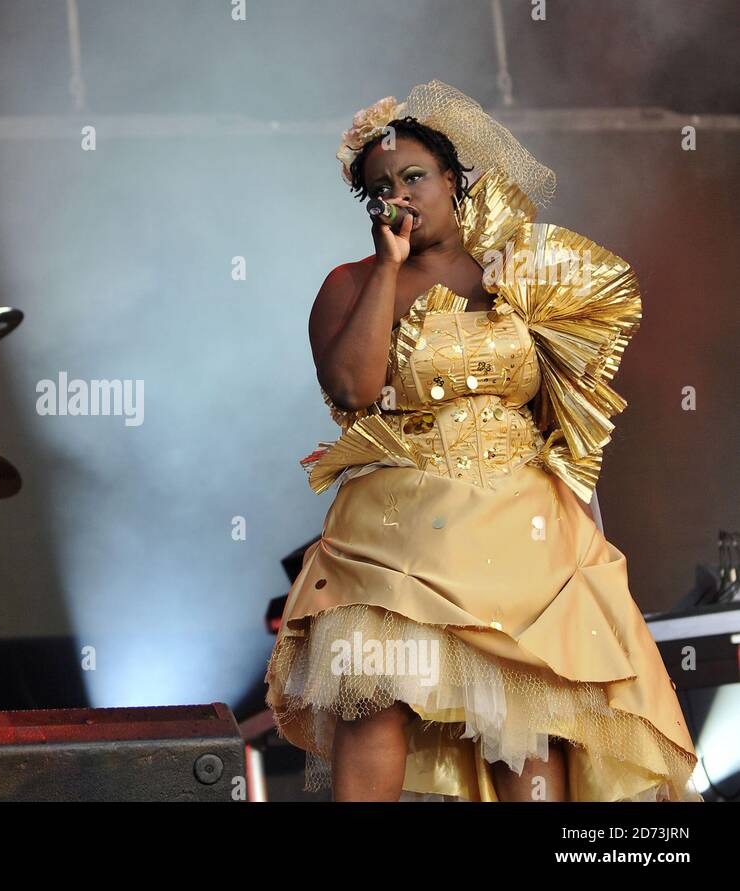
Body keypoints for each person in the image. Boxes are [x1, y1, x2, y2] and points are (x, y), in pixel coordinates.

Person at [265, 81, 701, 801]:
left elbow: (571, 412)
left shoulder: (522, 272)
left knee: (525, 722)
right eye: (381, 187)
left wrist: (589, 543)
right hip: (397, 530)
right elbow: (351, 388)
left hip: (520, 524)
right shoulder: (348, 283)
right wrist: (387, 268)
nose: (400, 194)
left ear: (452, 179)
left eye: (414, 176)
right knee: (372, 697)